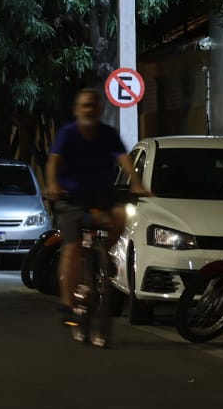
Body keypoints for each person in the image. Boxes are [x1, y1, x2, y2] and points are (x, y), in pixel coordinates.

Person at [44, 87, 149, 327]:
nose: (89, 110)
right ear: (77, 110)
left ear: (99, 109)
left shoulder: (108, 134)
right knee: (72, 246)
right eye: (85, 105)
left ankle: (105, 252)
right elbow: (54, 161)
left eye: (93, 105)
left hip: (101, 195)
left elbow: (124, 159)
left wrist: (136, 182)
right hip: (71, 198)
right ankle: (67, 304)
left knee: (120, 215)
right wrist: (52, 184)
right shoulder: (67, 134)